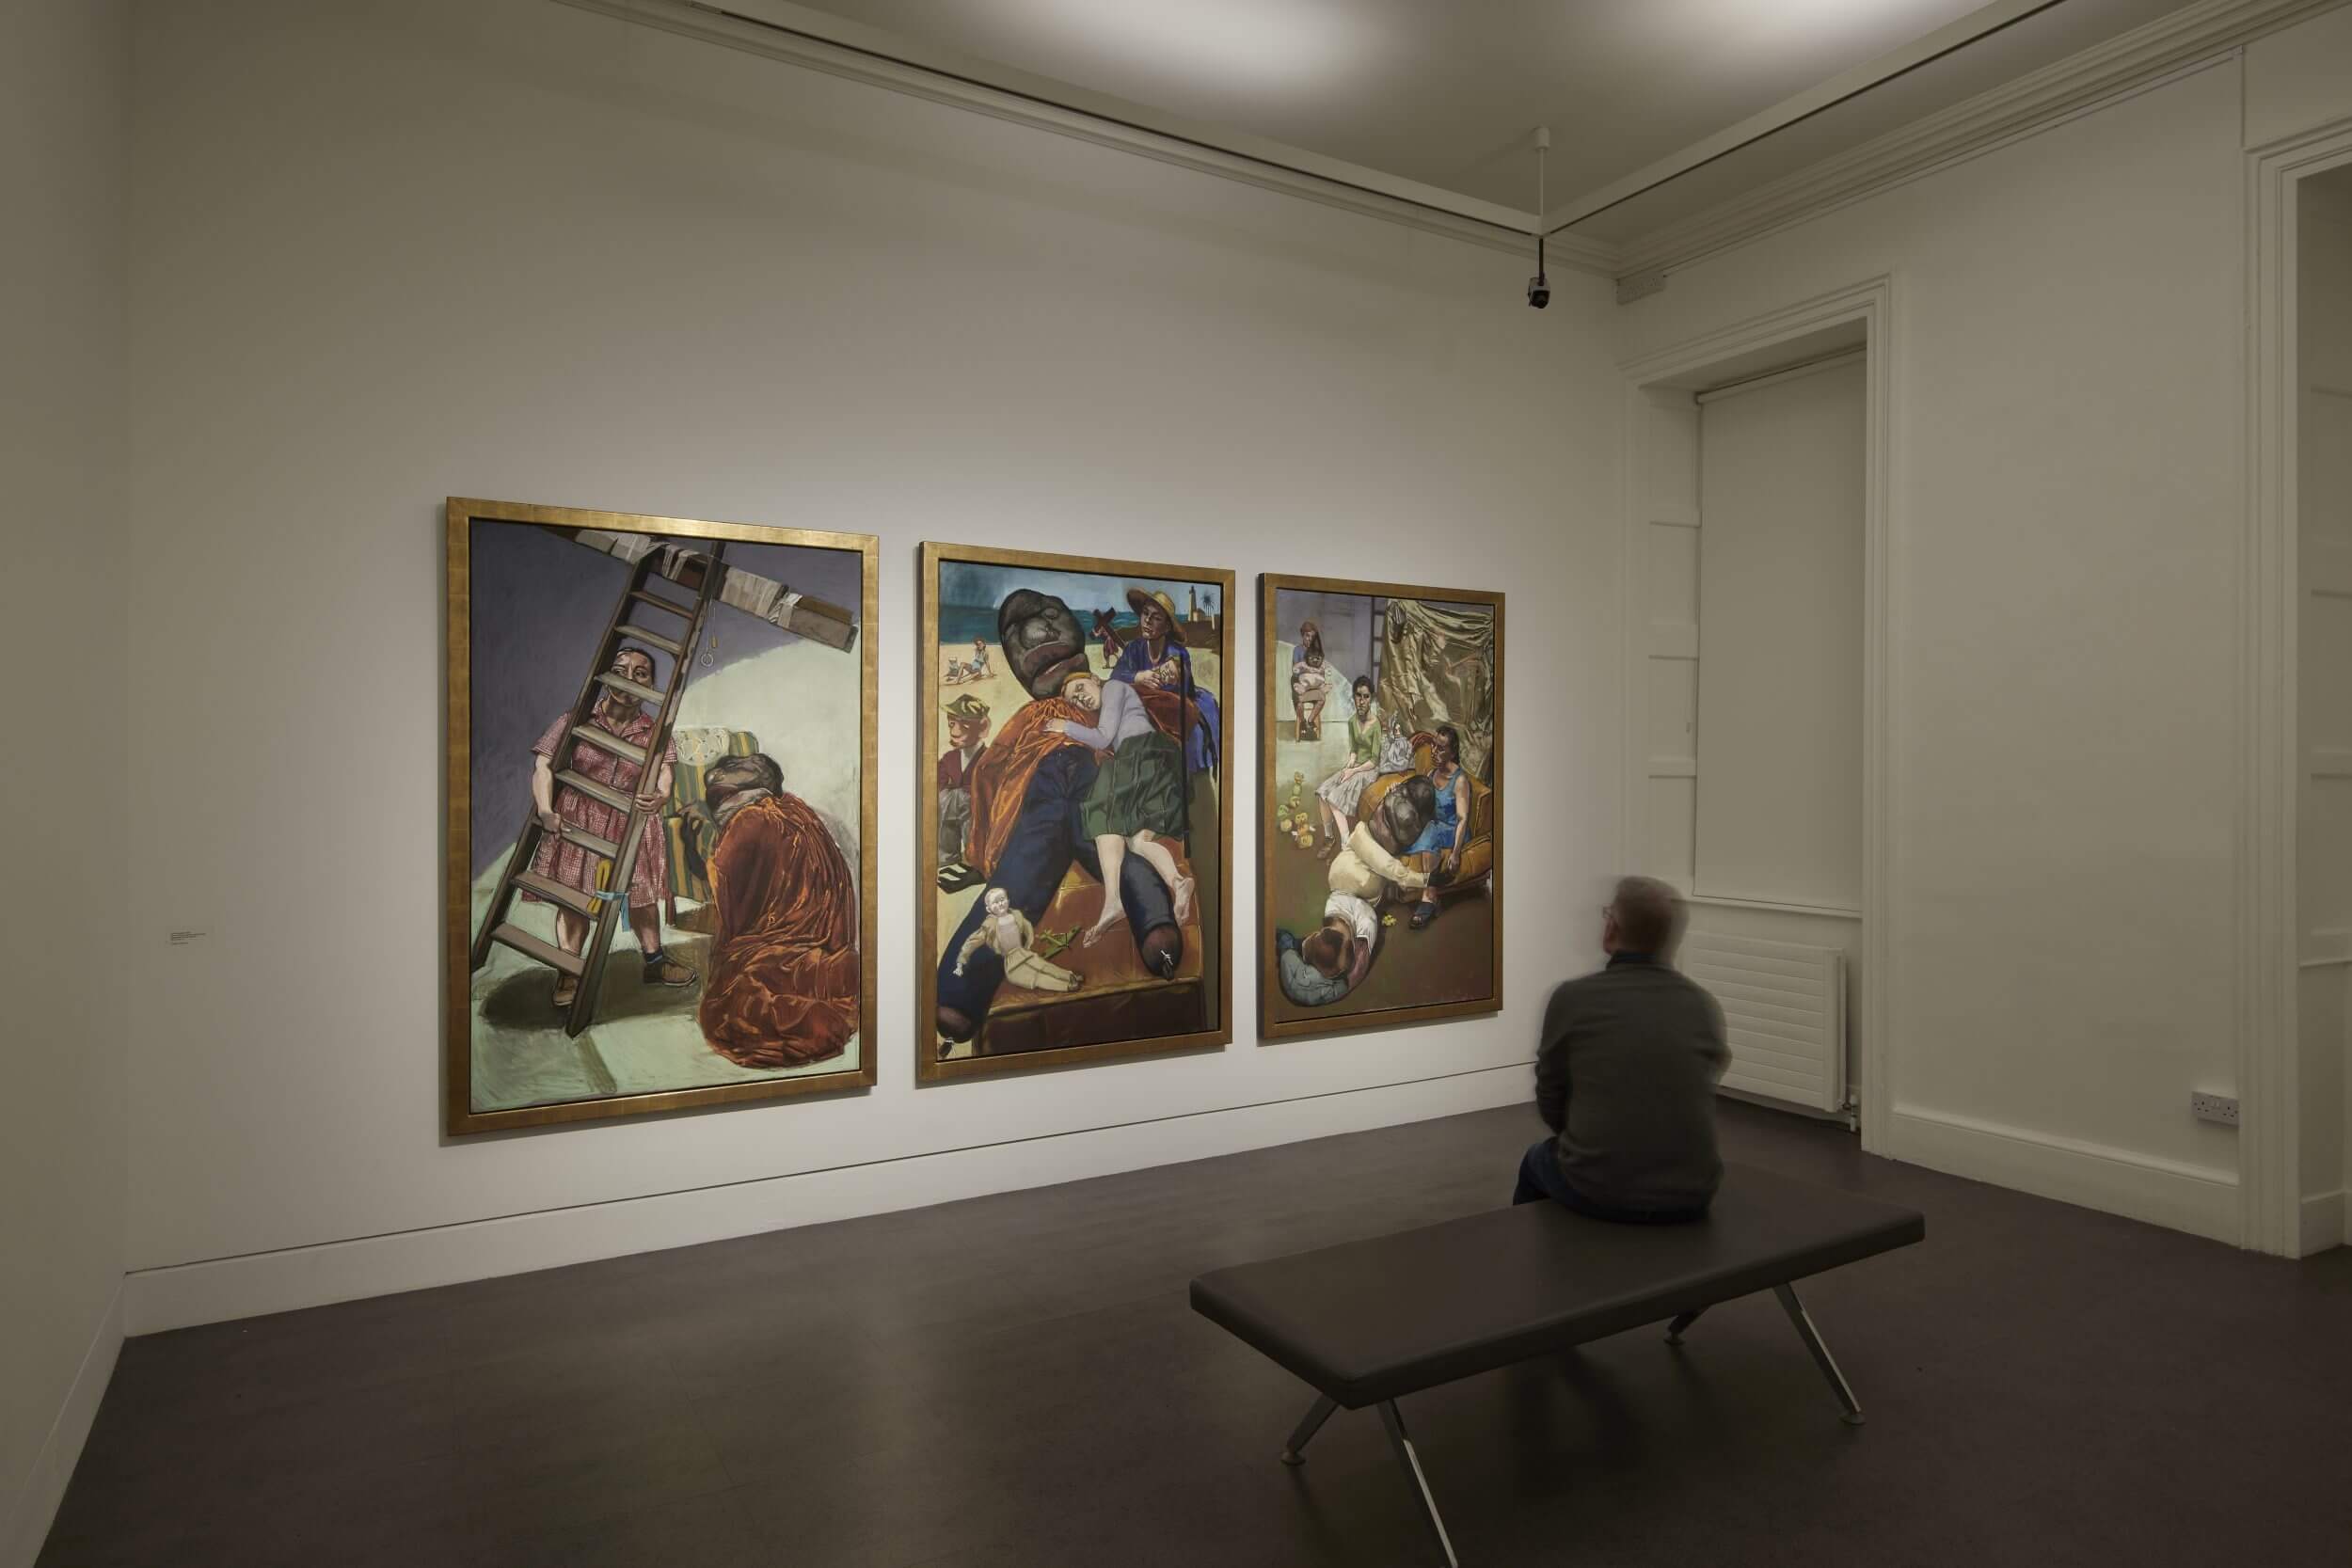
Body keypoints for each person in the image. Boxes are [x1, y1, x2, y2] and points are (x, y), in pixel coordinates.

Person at [1514, 877, 1729, 1221]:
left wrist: (1587, 1141)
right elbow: (1702, 1083)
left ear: (1611, 928)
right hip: (1693, 1189)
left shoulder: (1573, 999)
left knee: (1535, 1160)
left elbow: (1550, 1098)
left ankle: (1534, 1268)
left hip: (1600, 1187)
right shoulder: (1701, 1005)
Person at [523, 643, 693, 1009]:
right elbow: (543, 765)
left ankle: (654, 962)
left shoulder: (654, 729)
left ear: (650, 684)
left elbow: (666, 770)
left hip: (632, 821)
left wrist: (662, 796)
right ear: (607, 676)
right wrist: (546, 809)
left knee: (643, 896)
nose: (629, 679)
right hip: (581, 819)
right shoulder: (577, 718)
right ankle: (569, 969)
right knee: (576, 897)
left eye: (641, 673)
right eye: (621, 670)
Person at [694, 752, 862, 1069]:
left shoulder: (749, 822)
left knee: (734, 1011)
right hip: (827, 949)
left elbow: (728, 890)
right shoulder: (799, 811)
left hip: (775, 951)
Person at [1045, 671, 1194, 946]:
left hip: (1142, 755)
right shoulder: (1108, 702)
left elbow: (1102, 737)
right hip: (1148, 763)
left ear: (1094, 678)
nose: (1080, 698)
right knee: (1138, 842)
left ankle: (1113, 900)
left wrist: (1063, 725)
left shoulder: (1114, 687)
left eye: (1079, 687)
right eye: (1074, 700)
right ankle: (1177, 882)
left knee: (1101, 811)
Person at [1402, 725, 1471, 930]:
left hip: (1453, 831)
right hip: (1436, 825)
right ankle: (1425, 889)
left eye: (1441, 748)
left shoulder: (1460, 781)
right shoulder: (1432, 773)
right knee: (1419, 825)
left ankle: (1429, 897)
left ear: (1452, 752)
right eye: (1434, 746)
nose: (1434, 751)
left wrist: (1456, 853)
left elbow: (1462, 819)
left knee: (1430, 830)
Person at [954, 887, 1082, 993]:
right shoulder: (989, 926)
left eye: (1002, 899)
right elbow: (972, 941)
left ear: (1008, 901)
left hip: (1025, 953)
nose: (1000, 904)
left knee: (1044, 966)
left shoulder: (1016, 915)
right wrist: (961, 962)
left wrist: (1028, 943)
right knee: (1035, 978)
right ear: (989, 909)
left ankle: (1070, 976)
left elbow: (1028, 927)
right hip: (1012, 964)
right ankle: (1065, 986)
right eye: (995, 902)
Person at [1313, 676, 1384, 856]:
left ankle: (1346, 844)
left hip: (1368, 770)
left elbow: (1374, 760)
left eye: (1366, 696)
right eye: (1358, 696)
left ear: (1371, 698)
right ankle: (1330, 837)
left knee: (1334, 797)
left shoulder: (1376, 725)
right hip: (1356, 765)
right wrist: (1349, 765)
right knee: (1323, 792)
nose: (1361, 700)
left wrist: (1354, 771)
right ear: (1353, 697)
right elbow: (1354, 749)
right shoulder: (1352, 721)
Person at [936, 694, 992, 873]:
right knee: (944, 801)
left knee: (967, 802)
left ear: (982, 728)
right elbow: (938, 782)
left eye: (964, 725)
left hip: (978, 817)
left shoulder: (989, 759)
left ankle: (974, 860)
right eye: (952, 724)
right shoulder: (949, 758)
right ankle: (946, 858)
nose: (955, 732)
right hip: (948, 813)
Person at [1289, 620, 1340, 740]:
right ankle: (1302, 722)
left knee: (1322, 697)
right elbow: (1295, 670)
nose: (1309, 639)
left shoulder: (1317, 651)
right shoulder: (1297, 650)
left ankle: (1310, 720)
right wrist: (1306, 668)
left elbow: (1322, 669)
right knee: (1299, 702)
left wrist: (1318, 671)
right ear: (1303, 635)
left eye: (1312, 636)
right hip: (1301, 682)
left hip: (1313, 685)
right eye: (1307, 636)